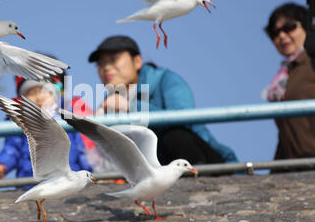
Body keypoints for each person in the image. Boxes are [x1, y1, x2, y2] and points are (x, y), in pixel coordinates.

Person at [88, 35, 237, 166]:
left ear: (137, 61)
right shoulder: (109, 104)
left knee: (174, 136)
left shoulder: (165, 80)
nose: (106, 67)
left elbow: (184, 119)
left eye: (114, 59)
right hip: (157, 173)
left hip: (198, 160)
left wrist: (130, 107)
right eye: (100, 63)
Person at [0, 74, 93, 186]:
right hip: (31, 179)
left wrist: (89, 171)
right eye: (31, 93)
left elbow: (80, 150)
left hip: (66, 177)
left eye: (44, 92)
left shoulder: (66, 119)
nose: (39, 97)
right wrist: (2, 164)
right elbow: (12, 148)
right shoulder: (20, 123)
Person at [263, 3, 315, 169]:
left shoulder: (311, 64)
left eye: (289, 27)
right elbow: (287, 133)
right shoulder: (284, 77)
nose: (282, 36)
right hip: (299, 167)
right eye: (275, 33)